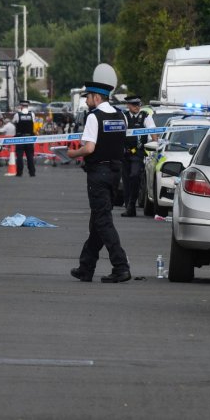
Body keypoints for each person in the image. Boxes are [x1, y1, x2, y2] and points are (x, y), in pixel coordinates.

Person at [67, 81, 131, 283]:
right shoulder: (121, 116)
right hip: (115, 173)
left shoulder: (94, 117)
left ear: (97, 97)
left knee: (103, 221)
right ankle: (86, 267)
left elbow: (89, 148)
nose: (86, 101)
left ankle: (121, 266)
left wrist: (72, 153)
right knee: (98, 220)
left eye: (88, 97)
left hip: (99, 173)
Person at [120, 95, 157, 217]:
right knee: (126, 181)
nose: (137, 107)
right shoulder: (123, 116)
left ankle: (131, 204)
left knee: (135, 176)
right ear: (128, 105)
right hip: (125, 153)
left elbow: (153, 133)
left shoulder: (145, 116)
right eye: (134, 105)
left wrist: (155, 146)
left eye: (138, 104)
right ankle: (129, 208)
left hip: (138, 153)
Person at [12, 100, 36, 177]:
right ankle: (32, 172)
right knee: (30, 156)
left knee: (19, 156)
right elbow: (33, 123)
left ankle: (19, 172)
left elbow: (14, 122)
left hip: (20, 138)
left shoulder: (17, 115)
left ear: (21, 106)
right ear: (27, 106)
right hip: (29, 138)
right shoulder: (32, 114)